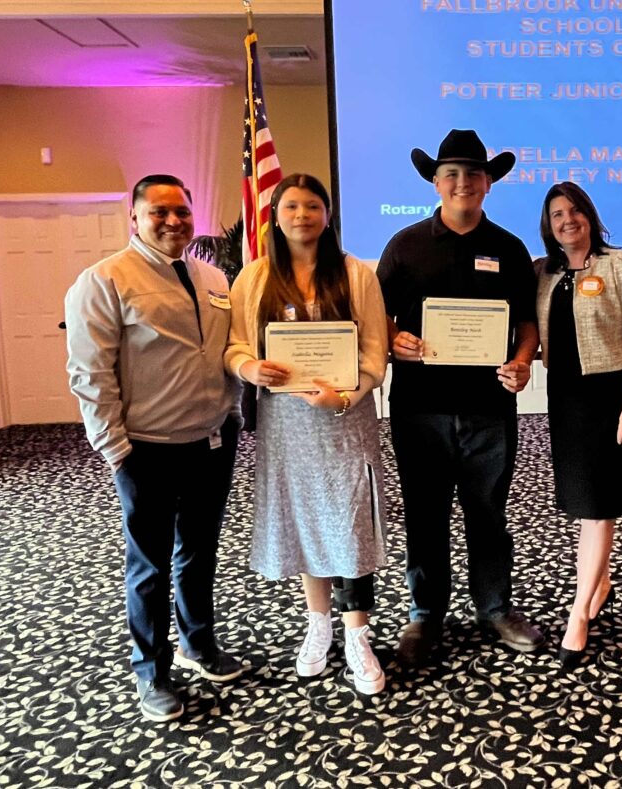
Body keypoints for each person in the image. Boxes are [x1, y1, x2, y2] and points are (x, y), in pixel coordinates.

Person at [65, 174, 243, 723]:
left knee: (198, 551)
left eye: (182, 213)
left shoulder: (211, 274)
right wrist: (114, 448)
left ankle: (197, 643)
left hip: (212, 440)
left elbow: (223, 348)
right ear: (135, 219)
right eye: (158, 212)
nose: (173, 222)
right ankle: (152, 671)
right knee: (149, 565)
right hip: (146, 448)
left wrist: (233, 409)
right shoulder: (103, 281)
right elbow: (89, 373)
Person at [377, 129, 544, 668]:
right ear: (435, 181)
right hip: (419, 407)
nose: (462, 182)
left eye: (474, 173)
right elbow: (376, 316)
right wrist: (391, 339)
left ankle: (495, 608)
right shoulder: (405, 245)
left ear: (489, 183)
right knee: (425, 515)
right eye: (451, 173)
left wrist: (522, 361)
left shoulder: (510, 248)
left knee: (488, 511)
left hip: (489, 408)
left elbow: (527, 322)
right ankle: (425, 615)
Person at [224, 174, 390, 695]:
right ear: (276, 214)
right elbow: (232, 348)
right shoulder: (253, 278)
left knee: (349, 523)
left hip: (345, 418)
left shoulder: (354, 273)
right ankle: (318, 626)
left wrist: (344, 397)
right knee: (303, 521)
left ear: (328, 213)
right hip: (287, 426)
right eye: (292, 206)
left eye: (313, 205)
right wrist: (249, 368)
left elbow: (375, 356)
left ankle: (358, 635)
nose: (302, 215)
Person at [535, 182, 622, 669]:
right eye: (557, 214)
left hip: (609, 399)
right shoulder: (541, 273)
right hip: (564, 399)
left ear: (590, 215)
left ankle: (579, 613)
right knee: (582, 500)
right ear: (548, 224)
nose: (568, 220)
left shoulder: (621, 263)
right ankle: (600, 582)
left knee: (597, 506)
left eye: (575, 211)